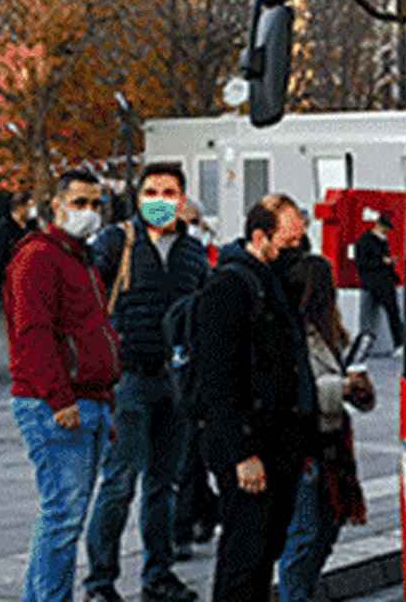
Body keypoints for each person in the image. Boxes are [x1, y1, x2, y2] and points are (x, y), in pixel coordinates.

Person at [82, 163, 207, 602]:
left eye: (168, 191)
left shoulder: (194, 253)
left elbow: (200, 318)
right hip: (129, 380)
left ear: (182, 198)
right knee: (118, 484)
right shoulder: (117, 242)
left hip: (174, 383)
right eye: (150, 191)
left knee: (163, 486)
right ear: (138, 198)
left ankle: (159, 574)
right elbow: (87, 301)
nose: (159, 199)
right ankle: (100, 582)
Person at [193, 194, 317, 602]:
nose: (297, 251)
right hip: (250, 447)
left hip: (281, 443)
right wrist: (242, 452)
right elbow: (219, 378)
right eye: (289, 243)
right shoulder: (230, 285)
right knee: (244, 558)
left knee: (265, 553)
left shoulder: (275, 281)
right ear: (260, 237)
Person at [4, 170, 120, 602]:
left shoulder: (79, 258)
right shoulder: (39, 257)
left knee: (65, 517)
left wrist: (103, 400)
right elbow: (32, 333)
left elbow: (94, 331)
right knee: (63, 516)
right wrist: (59, 398)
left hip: (87, 400)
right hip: (56, 403)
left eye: (95, 204)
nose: (89, 213)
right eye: (80, 203)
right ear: (57, 205)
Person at [278, 254, 374, 602]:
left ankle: (304, 591)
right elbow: (295, 389)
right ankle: (296, 596)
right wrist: (342, 387)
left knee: (328, 528)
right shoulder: (293, 332)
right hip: (305, 443)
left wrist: (361, 390)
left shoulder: (333, 332)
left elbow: (348, 386)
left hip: (334, 443)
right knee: (304, 532)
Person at [171, 198, 219, 561]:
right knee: (189, 456)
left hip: (190, 364)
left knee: (191, 455)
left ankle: (188, 523)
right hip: (176, 362)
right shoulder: (184, 257)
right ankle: (198, 515)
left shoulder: (204, 257)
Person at [354, 214, 403, 354]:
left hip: (385, 283)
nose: (386, 234)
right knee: (368, 318)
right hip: (371, 284)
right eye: (385, 230)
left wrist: (393, 274)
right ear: (378, 226)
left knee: (394, 314)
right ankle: (364, 348)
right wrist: (383, 262)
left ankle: (399, 344)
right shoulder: (364, 241)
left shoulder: (382, 242)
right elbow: (362, 264)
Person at [0, 191, 38, 300]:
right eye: (29, 206)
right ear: (20, 208)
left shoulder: (32, 227)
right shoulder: (4, 229)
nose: (32, 211)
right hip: (7, 285)